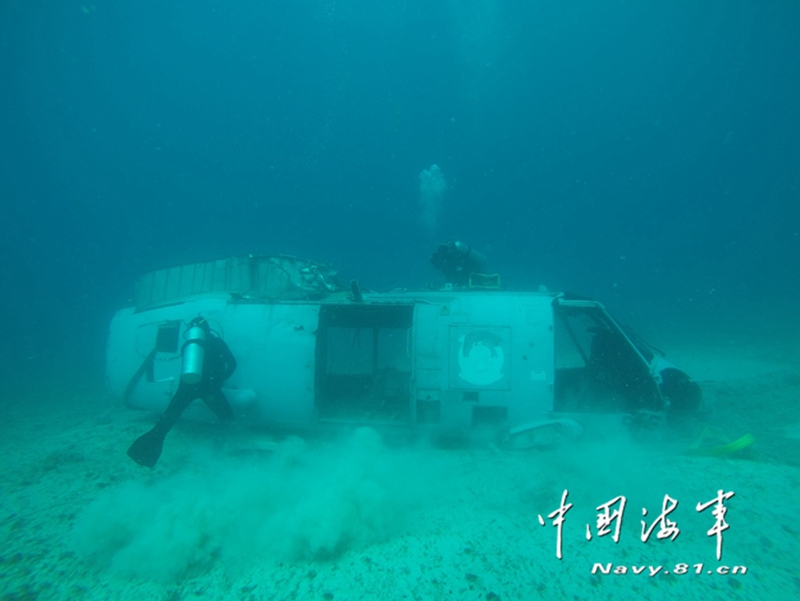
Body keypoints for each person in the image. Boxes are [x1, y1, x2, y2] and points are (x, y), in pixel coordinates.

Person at [127, 317, 237, 467]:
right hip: (209, 388)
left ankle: (144, 453)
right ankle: (217, 453)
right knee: (227, 418)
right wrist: (221, 380)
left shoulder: (189, 344)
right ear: (208, 329)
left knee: (167, 420)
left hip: (187, 387)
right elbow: (232, 364)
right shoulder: (217, 342)